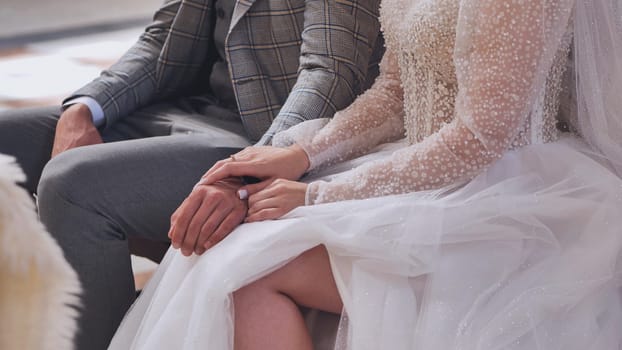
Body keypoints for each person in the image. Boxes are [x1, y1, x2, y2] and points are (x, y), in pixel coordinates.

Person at [111, 0, 622, 348]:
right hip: (417, 170)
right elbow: (393, 93)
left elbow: (481, 137)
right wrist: (303, 156)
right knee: (231, 252)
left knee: (251, 271)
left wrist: (319, 196)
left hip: (502, 196)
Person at [0, 0, 384, 348]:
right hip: (190, 110)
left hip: (265, 138)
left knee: (73, 183)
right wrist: (83, 109)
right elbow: (165, 41)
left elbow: (331, 73)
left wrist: (251, 169)